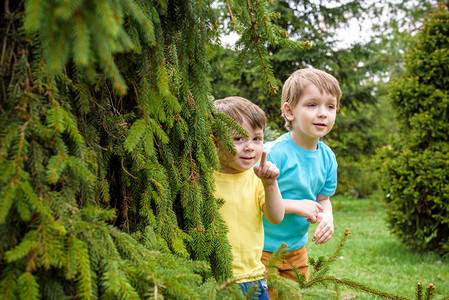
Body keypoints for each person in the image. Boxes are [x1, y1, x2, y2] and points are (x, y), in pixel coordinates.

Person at [261, 68, 342, 284]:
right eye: (312, 104)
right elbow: (253, 198)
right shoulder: (273, 154)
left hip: (296, 249)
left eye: (330, 106)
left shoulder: (327, 158)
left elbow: (323, 199)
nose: (323, 113)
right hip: (261, 248)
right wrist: (296, 206)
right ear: (289, 112)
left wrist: (328, 217)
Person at [213, 96, 285, 300]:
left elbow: (276, 217)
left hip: (253, 278)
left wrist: (270, 184)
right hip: (215, 280)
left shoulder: (257, 178)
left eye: (257, 138)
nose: (250, 147)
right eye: (238, 139)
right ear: (215, 142)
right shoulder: (202, 179)